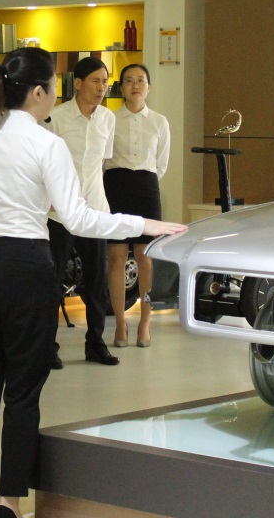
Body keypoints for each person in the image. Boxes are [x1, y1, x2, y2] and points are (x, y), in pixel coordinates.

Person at [0, 47, 186, 518]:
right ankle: (11, 500)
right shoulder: (45, 143)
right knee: (23, 388)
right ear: (39, 92)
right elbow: (78, 218)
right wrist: (144, 224)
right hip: (25, 265)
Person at [44, 57, 117, 367]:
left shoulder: (108, 119)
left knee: (97, 281)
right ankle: (47, 346)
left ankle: (96, 343)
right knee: (53, 279)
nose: (101, 88)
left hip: (94, 211)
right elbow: (44, 164)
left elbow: (101, 163)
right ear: (77, 83)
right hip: (60, 213)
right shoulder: (56, 118)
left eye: (105, 82)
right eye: (95, 81)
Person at [103, 63, 170, 349]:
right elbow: (103, 159)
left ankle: (145, 322)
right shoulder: (109, 118)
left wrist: (144, 181)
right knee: (116, 257)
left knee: (145, 256)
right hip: (115, 185)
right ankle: (120, 323)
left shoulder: (159, 121)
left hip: (146, 187)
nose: (135, 85)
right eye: (129, 80)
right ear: (121, 88)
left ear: (149, 87)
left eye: (141, 80)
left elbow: (161, 164)